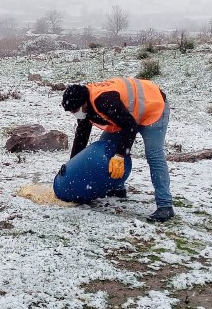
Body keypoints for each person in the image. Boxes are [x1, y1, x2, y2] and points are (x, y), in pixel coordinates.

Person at [53, 77, 175, 222]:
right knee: (104, 149)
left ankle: (165, 205)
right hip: (128, 115)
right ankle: (117, 187)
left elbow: (130, 126)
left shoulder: (103, 101)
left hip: (153, 107)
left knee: (154, 156)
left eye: (75, 110)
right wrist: (72, 165)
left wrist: (120, 155)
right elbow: (82, 135)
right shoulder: (85, 106)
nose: (74, 113)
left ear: (83, 103)